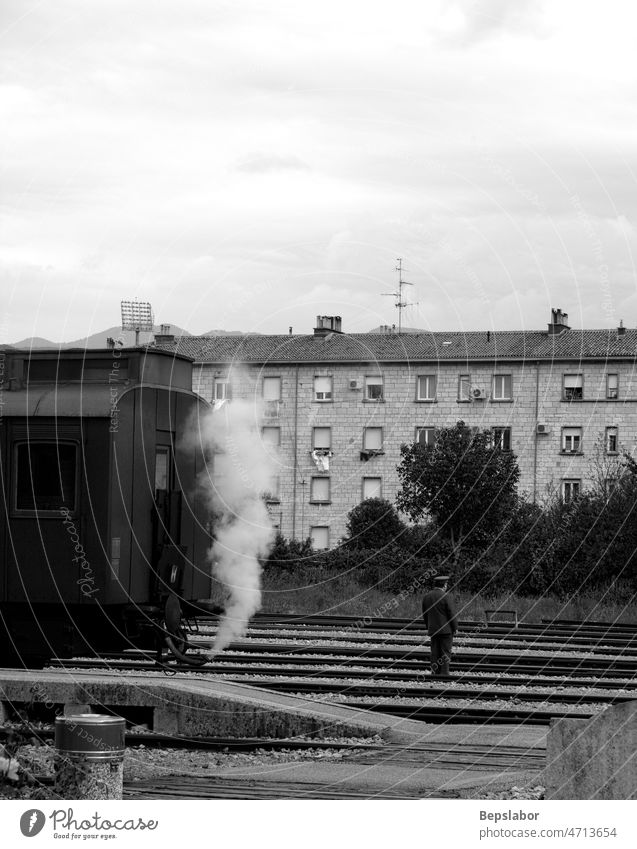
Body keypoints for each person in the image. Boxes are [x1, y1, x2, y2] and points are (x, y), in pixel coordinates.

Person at [421, 574, 458, 677]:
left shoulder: (427, 596)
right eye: (446, 584)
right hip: (446, 630)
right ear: (444, 585)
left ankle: (435, 672)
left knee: (434, 651)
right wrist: (455, 627)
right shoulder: (446, 597)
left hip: (433, 629)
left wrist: (428, 626)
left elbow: (425, 614)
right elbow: (451, 613)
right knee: (445, 651)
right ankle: (444, 672)